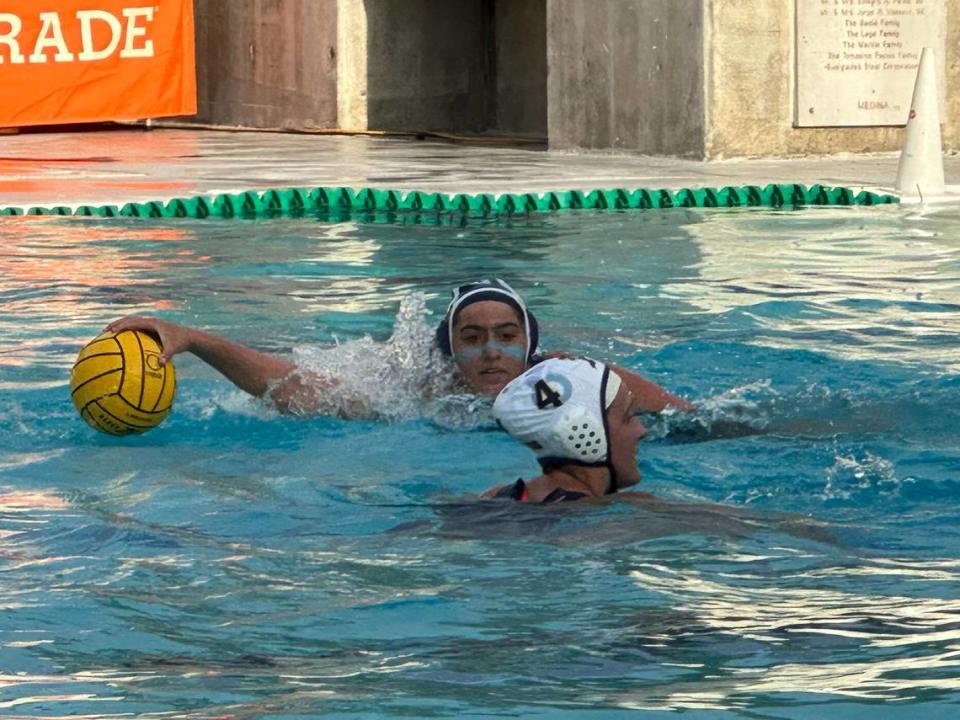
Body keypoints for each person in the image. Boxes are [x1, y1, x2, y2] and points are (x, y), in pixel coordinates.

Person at [104, 278, 692, 416]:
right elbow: (296, 388)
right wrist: (192, 339)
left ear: (530, 346)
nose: (491, 352)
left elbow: (693, 420)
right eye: (472, 337)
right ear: (449, 350)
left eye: (507, 337)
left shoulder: (573, 382)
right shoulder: (417, 398)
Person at [485, 357, 646, 502]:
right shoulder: (625, 514)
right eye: (627, 417)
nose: (641, 431)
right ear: (580, 430)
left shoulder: (497, 497)